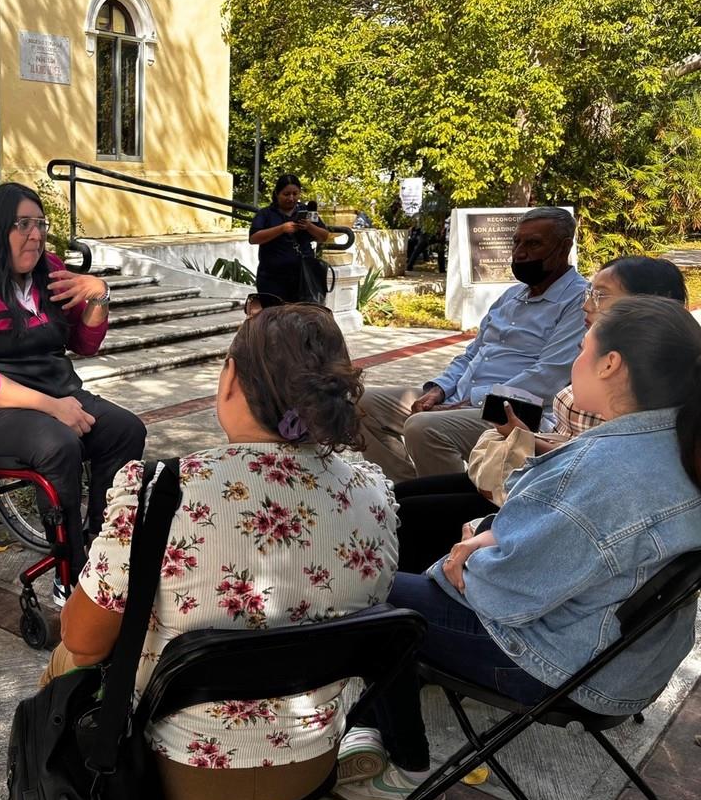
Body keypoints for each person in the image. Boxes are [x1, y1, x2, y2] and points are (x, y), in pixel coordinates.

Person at [14, 305, 398, 800]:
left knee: (69, 658)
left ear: (232, 381)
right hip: (310, 763)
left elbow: (86, 640)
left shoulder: (160, 492)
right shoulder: (373, 495)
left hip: (172, 772)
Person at [336, 295, 701, 800]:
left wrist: (467, 555)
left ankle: (406, 768)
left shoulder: (610, 467)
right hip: (618, 656)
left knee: (361, 593)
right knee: (407, 580)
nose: (575, 363)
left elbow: (502, 591)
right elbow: (565, 542)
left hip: (567, 663)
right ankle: (370, 726)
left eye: (582, 348)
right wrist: (488, 535)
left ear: (610, 364)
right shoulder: (674, 442)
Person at [391, 256, 687, 572]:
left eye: (600, 295)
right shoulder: (626, 392)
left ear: (609, 364)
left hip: (549, 503)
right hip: (548, 487)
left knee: (410, 515)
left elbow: (579, 492)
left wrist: (488, 529)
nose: (586, 306)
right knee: (403, 497)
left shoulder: (638, 387)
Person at [0, 183, 146, 600]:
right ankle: (70, 573)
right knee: (58, 444)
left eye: (40, 224)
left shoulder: (50, 272)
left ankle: (102, 549)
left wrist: (99, 294)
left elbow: (84, 343)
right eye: (22, 224)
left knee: (125, 430)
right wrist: (54, 408)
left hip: (51, 393)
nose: (36, 235)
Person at [359, 206, 588, 482]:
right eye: (517, 242)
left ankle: (453, 510)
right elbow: (472, 354)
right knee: (360, 402)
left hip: (515, 413)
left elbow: (548, 377)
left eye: (533, 244)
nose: (519, 252)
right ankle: (406, 493)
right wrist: (439, 390)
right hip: (463, 398)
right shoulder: (511, 296)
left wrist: (471, 402)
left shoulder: (578, 301)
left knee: (423, 427)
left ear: (564, 248)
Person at [248, 173, 334, 302]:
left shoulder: (307, 212)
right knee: (276, 317)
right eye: (286, 194)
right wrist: (281, 229)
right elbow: (254, 238)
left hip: (303, 278)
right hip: (272, 279)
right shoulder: (265, 214)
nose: (291, 198)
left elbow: (323, 236)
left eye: (295, 194)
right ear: (277, 194)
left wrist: (309, 226)